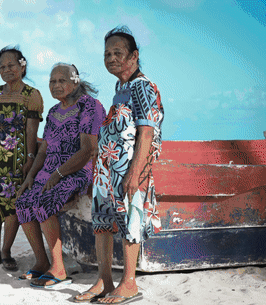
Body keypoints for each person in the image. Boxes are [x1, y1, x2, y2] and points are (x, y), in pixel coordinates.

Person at [73, 26, 164, 304]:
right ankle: (104, 280)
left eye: (118, 53)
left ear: (134, 56)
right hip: (107, 169)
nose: (111, 58)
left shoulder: (143, 86)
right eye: (107, 53)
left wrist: (135, 173)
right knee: (102, 223)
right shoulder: (120, 87)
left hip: (129, 171)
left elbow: (146, 132)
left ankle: (129, 283)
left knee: (130, 222)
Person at [15, 63, 106, 288]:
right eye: (52, 81)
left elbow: (87, 149)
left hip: (78, 171)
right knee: (23, 203)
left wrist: (58, 174)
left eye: (61, 80)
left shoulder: (90, 107)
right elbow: (44, 150)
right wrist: (30, 177)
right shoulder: (55, 111)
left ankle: (59, 269)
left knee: (45, 202)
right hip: (50, 172)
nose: (56, 85)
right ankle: (41, 261)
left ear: (75, 81)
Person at [0, 46, 44, 271]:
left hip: (17, 162)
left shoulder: (31, 95)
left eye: (11, 65)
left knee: (13, 206)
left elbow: (31, 132)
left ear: (22, 66)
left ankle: (6, 251)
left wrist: (30, 158)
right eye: (1, 66)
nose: (6, 70)